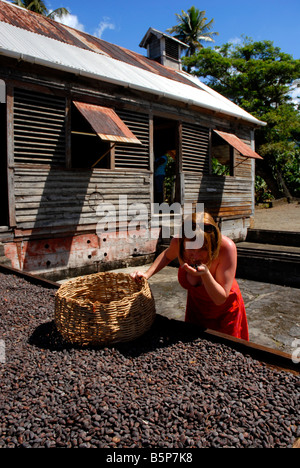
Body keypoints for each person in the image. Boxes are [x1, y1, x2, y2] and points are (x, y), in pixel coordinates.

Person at [131, 212, 249, 341]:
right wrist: (147, 274)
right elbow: (166, 256)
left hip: (225, 312)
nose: (195, 256)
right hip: (197, 308)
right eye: (191, 248)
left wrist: (206, 275)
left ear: (212, 245)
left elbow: (220, 299)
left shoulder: (226, 248)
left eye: (203, 249)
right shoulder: (178, 242)